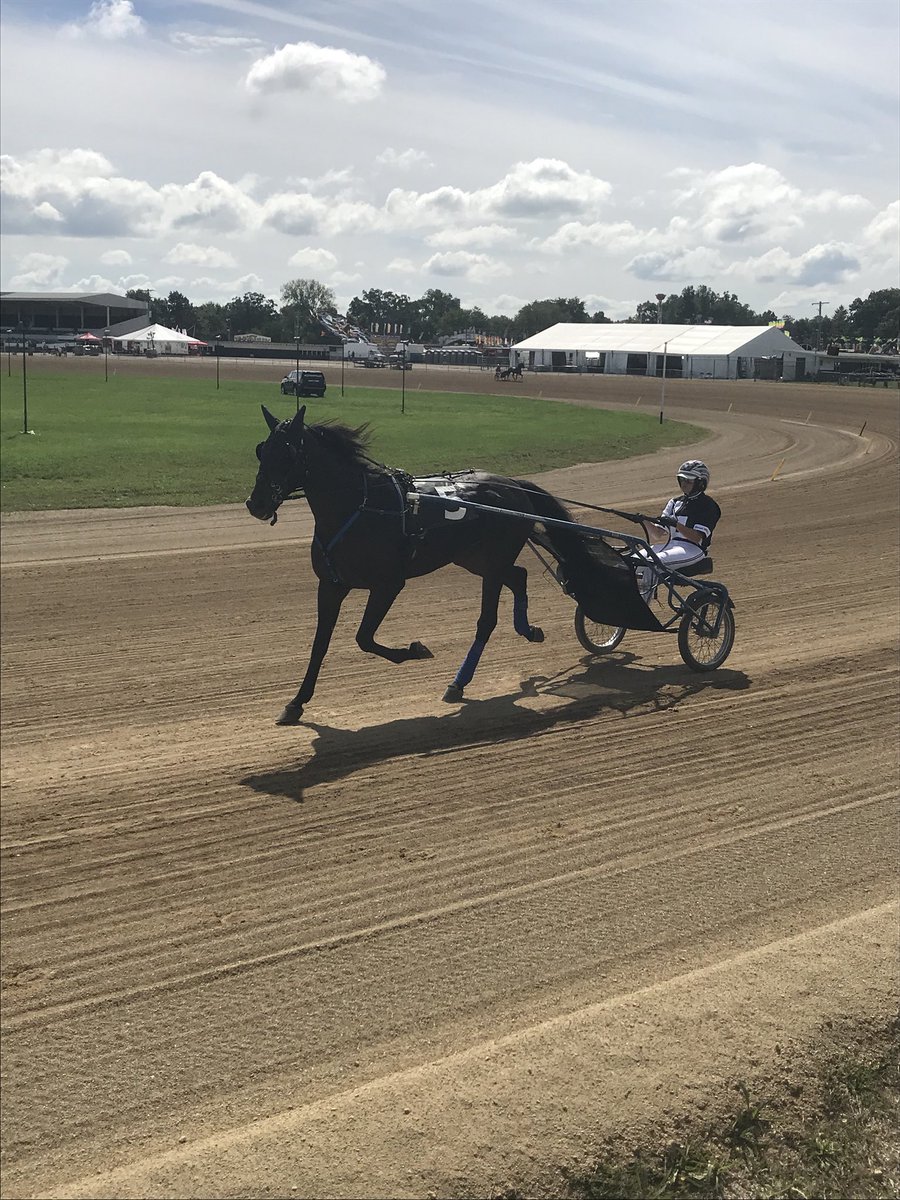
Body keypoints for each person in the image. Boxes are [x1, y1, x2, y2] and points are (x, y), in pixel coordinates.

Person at [634, 460, 721, 598]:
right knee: (634, 560)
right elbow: (657, 535)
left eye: (688, 481)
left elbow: (696, 537)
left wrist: (675, 524)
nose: (684, 484)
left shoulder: (708, 506)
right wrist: (643, 520)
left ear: (700, 483)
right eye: (681, 480)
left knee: (650, 564)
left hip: (693, 550)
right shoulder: (674, 502)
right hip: (672, 547)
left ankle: (640, 610)